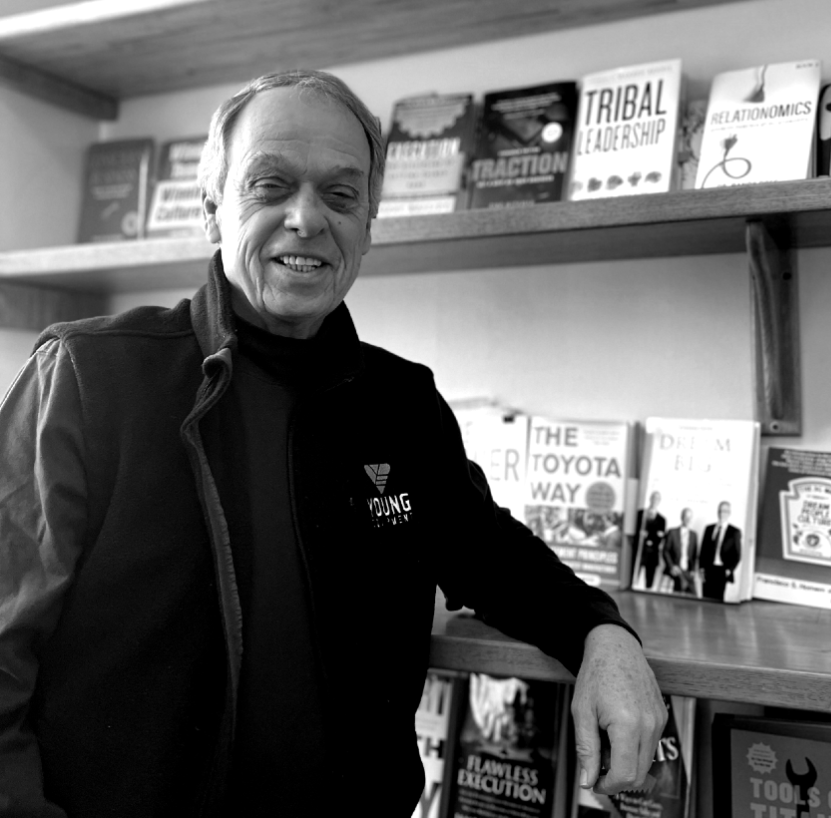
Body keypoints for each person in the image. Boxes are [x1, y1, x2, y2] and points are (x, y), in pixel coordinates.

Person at [0, 69, 666, 817]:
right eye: (271, 186)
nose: (307, 219)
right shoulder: (91, 377)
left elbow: (485, 551)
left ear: (369, 225)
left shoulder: (401, 403)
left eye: (341, 195)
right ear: (212, 211)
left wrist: (601, 634)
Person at [698, 500, 742, 601]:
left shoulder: (734, 532)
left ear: (729, 513)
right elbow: (703, 550)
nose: (722, 513)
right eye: (721, 511)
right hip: (708, 569)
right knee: (706, 598)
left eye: (725, 511)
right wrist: (701, 568)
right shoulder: (709, 528)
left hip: (722, 571)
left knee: (718, 600)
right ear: (718, 512)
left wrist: (729, 570)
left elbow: (737, 555)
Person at [662, 507, 699, 595]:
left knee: (691, 589)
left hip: (688, 570)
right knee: (681, 584)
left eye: (690, 518)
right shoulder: (672, 532)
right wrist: (672, 566)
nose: (688, 520)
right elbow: (665, 551)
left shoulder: (694, 535)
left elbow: (694, 555)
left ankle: (686, 604)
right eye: (686, 517)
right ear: (682, 517)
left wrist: (693, 570)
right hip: (675, 568)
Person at [636, 490, 667, 589]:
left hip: (653, 554)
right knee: (634, 578)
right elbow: (636, 532)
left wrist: (649, 535)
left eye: (657, 499)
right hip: (640, 552)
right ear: (650, 499)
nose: (655, 500)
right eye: (653, 498)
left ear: (659, 501)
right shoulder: (641, 514)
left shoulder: (662, 520)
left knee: (649, 582)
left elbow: (660, 538)